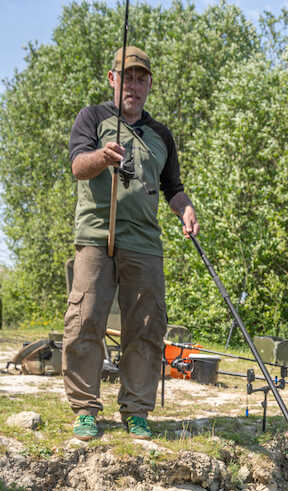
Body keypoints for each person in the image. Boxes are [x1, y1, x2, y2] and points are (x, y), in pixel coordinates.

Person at [63, 45, 199, 440]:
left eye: (141, 79)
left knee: (145, 326)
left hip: (144, 242)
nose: (134, 86)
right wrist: (103, 157)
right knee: (85, 319)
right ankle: (85, 408)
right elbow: (77, 166)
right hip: (96, 236)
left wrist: (185, 210)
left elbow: (173, 188)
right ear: (113, 79)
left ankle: (136, 409)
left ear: (149, 84)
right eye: (127, 77)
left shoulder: (161, 135)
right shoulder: (92, 118)